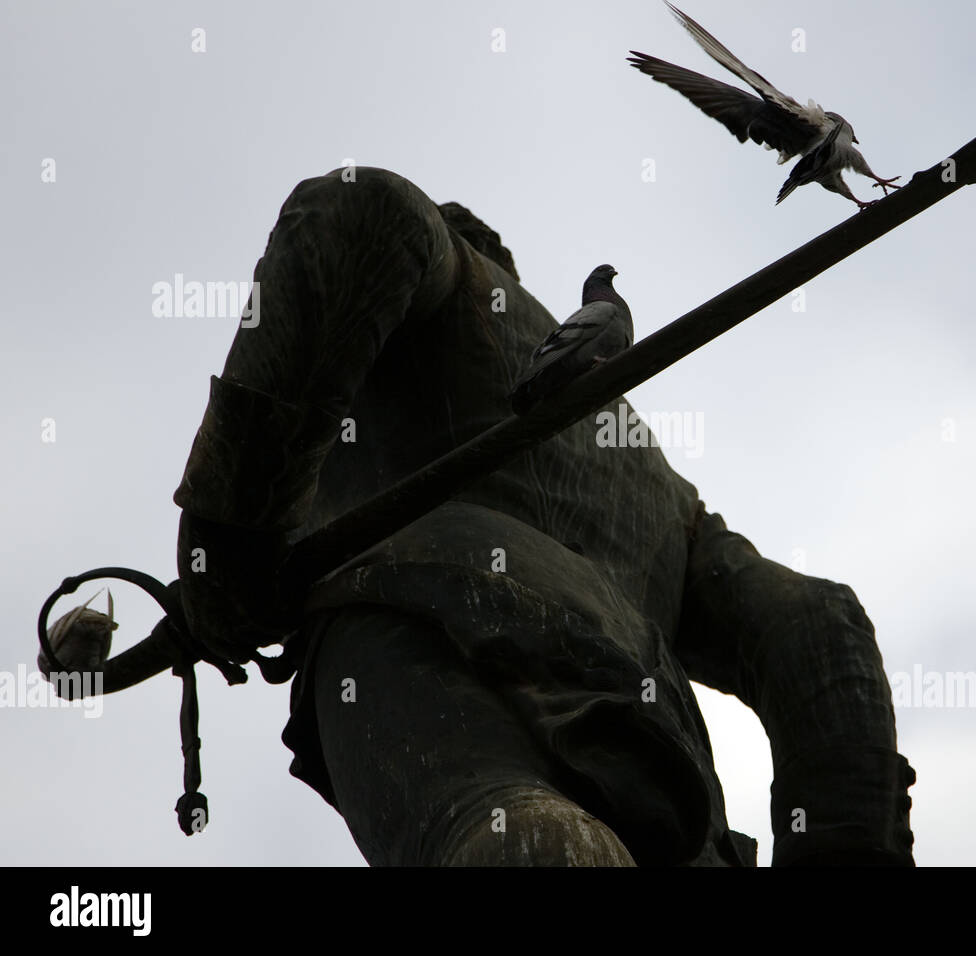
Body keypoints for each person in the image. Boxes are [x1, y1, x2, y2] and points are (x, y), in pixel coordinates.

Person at [172, 167, 916, 866]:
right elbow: (820, 626)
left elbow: (365, 211)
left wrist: (229, 537)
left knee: (533, 840)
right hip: (664, 757)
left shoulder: (454, 296)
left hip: (430, 620)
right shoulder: (649, 468)